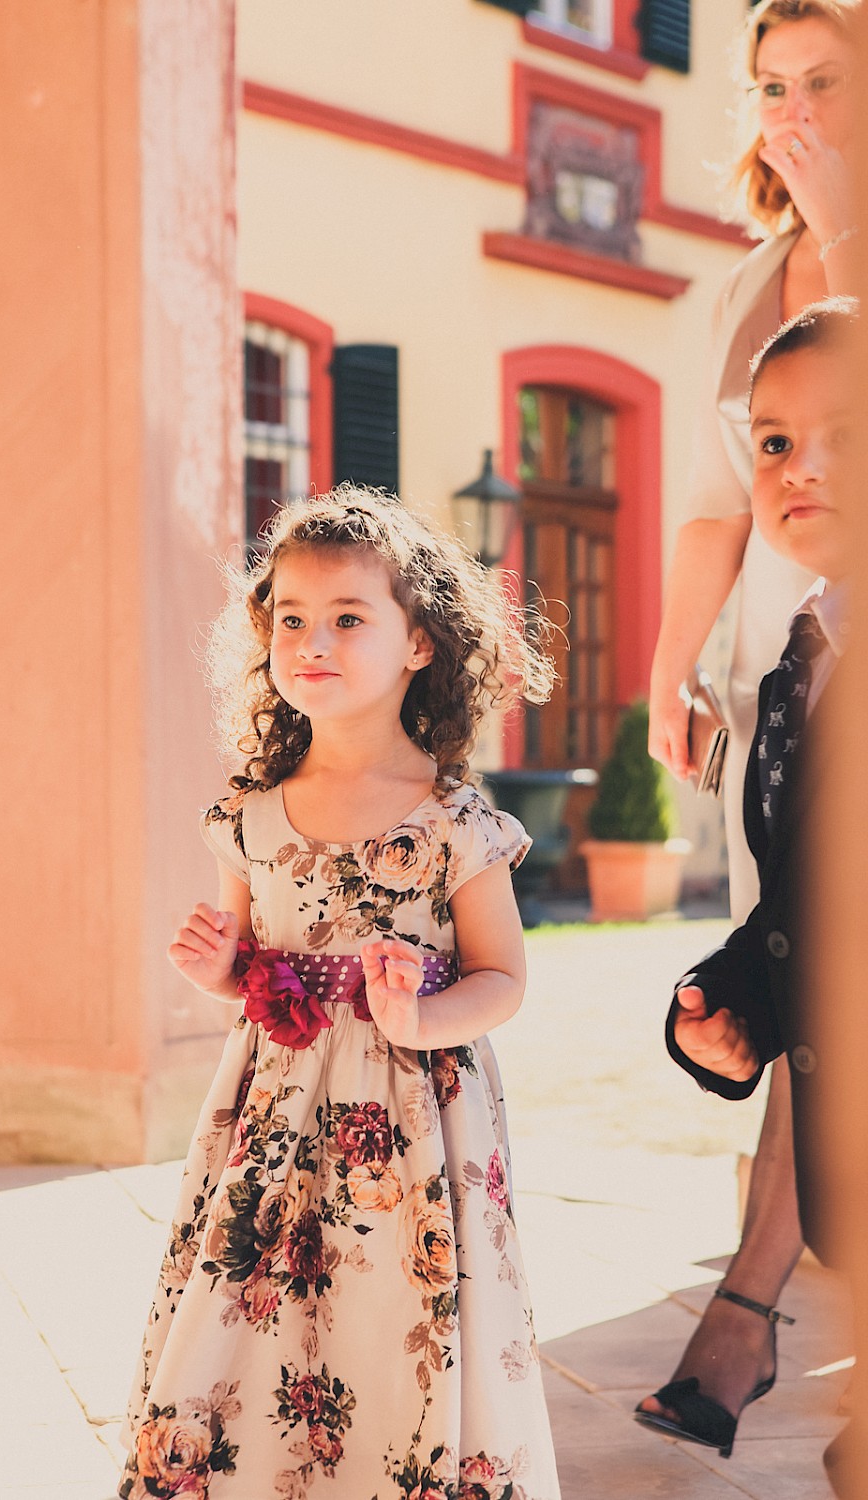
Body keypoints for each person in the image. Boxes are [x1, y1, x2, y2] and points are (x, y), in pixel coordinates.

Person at [118, 488, 561, 1499]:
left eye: (348, 619)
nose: (312, 640)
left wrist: (421, 1016)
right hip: (270, 1123)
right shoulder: (247, 816)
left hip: (413, 1130)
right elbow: (262, 968)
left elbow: (502, 979)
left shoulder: (453, 820)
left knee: (391, 1317)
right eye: (291, 621)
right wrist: (223, 972)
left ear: (418, 645)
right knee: (254, 1315)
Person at [640, 0, 859, 1450]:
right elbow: (719, 503)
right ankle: (755, 1311)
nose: (790, 109)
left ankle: (750, 1313)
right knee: (801, 989)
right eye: (770, 85)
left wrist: (846, 224)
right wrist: (672, 667)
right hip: (778, 684)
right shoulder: (743, 287)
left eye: (825, 81)